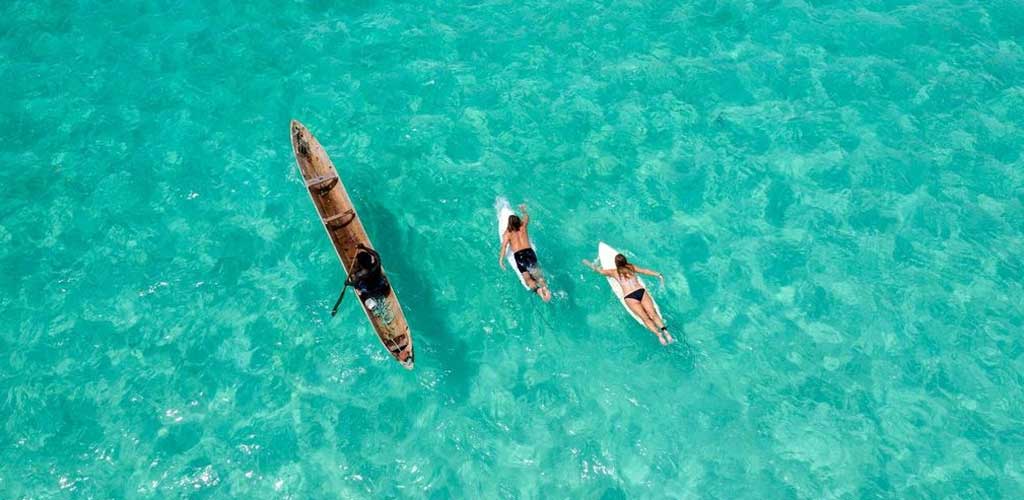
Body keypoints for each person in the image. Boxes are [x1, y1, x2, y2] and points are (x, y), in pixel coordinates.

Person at [583, 253, 674, 345]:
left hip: (630, 297)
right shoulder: (631, 267)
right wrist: (658, 274)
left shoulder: (613, 272)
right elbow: (645, 271)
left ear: (616, 263)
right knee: (653, 314)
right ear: (625, 261)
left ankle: (659, 335)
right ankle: (666, 332)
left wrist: (588, 263)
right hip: (640, 292)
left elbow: (599, 271)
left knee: (645, 318)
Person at [498, 203, 552, 302]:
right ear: (518, 221)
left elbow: (504, 247)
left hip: (519, 257)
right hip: (529, 253)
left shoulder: (507, 233)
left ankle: (538, 290)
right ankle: (545, 288)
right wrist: (523, 210)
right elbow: (527, 217)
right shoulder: (523, 226)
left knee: (527, 278)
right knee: (538, 275)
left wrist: (501, 260)